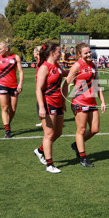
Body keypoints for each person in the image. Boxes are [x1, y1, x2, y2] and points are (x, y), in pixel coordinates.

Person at [66, 43, 105, 168]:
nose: (89, 54)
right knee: (81, 130)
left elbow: (97, 84)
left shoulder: (93, 65)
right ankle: (83, 157)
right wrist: (62, 101)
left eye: (89, 52)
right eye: (86, 53)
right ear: (79, 54)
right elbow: (66, 83)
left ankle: (76, 145)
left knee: (95, 129)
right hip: (80, 101)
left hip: (92, 101)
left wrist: (103, 101)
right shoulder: (77, 65)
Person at [34, 42, 69, 173]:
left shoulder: (57, 65)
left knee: (58, 132)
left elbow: (65, 73)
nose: (61, 54)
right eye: (59, 52)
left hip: (58, 102)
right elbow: (38, 89)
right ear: (52, 53)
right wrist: (42, 107)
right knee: (49, 134)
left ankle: (39, 151)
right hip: (47, 103)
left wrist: (79, 68)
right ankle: (50, 165)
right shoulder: (44, 67)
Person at [0, 42, 24, 138]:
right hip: (2, 85)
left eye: (0, 49)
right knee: (4, 108)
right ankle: (7, 130)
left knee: (13, 109)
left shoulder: (16, 57)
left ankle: (7, 123)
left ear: (6, 49)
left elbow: (20, 71)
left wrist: (20, 83)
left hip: (13, 86)